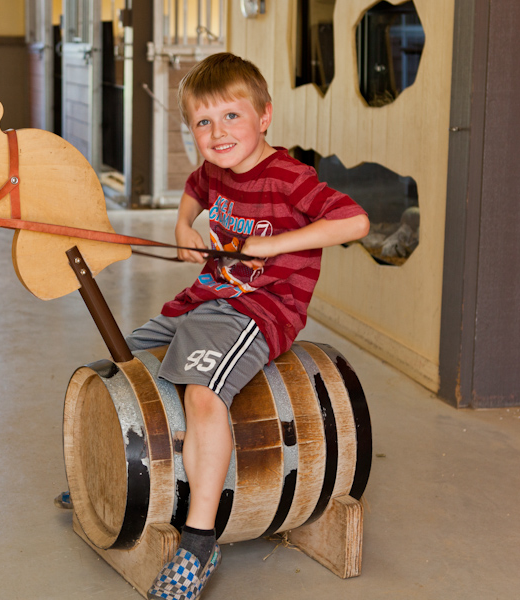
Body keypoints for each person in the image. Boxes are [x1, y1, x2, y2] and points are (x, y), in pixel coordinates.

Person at [125, 52, 370, 600]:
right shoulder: (213, 169)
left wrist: (272, 244)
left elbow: (356, 219)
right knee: (126, 363)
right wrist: (183, 224)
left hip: (258, 309)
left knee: (203, 396)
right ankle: (126, 472)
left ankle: (198, 541)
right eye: (203, 123)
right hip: (208, 295)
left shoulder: (290, 177)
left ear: (265, 116)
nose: (217, 133)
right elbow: (195, 186)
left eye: (232, 116)